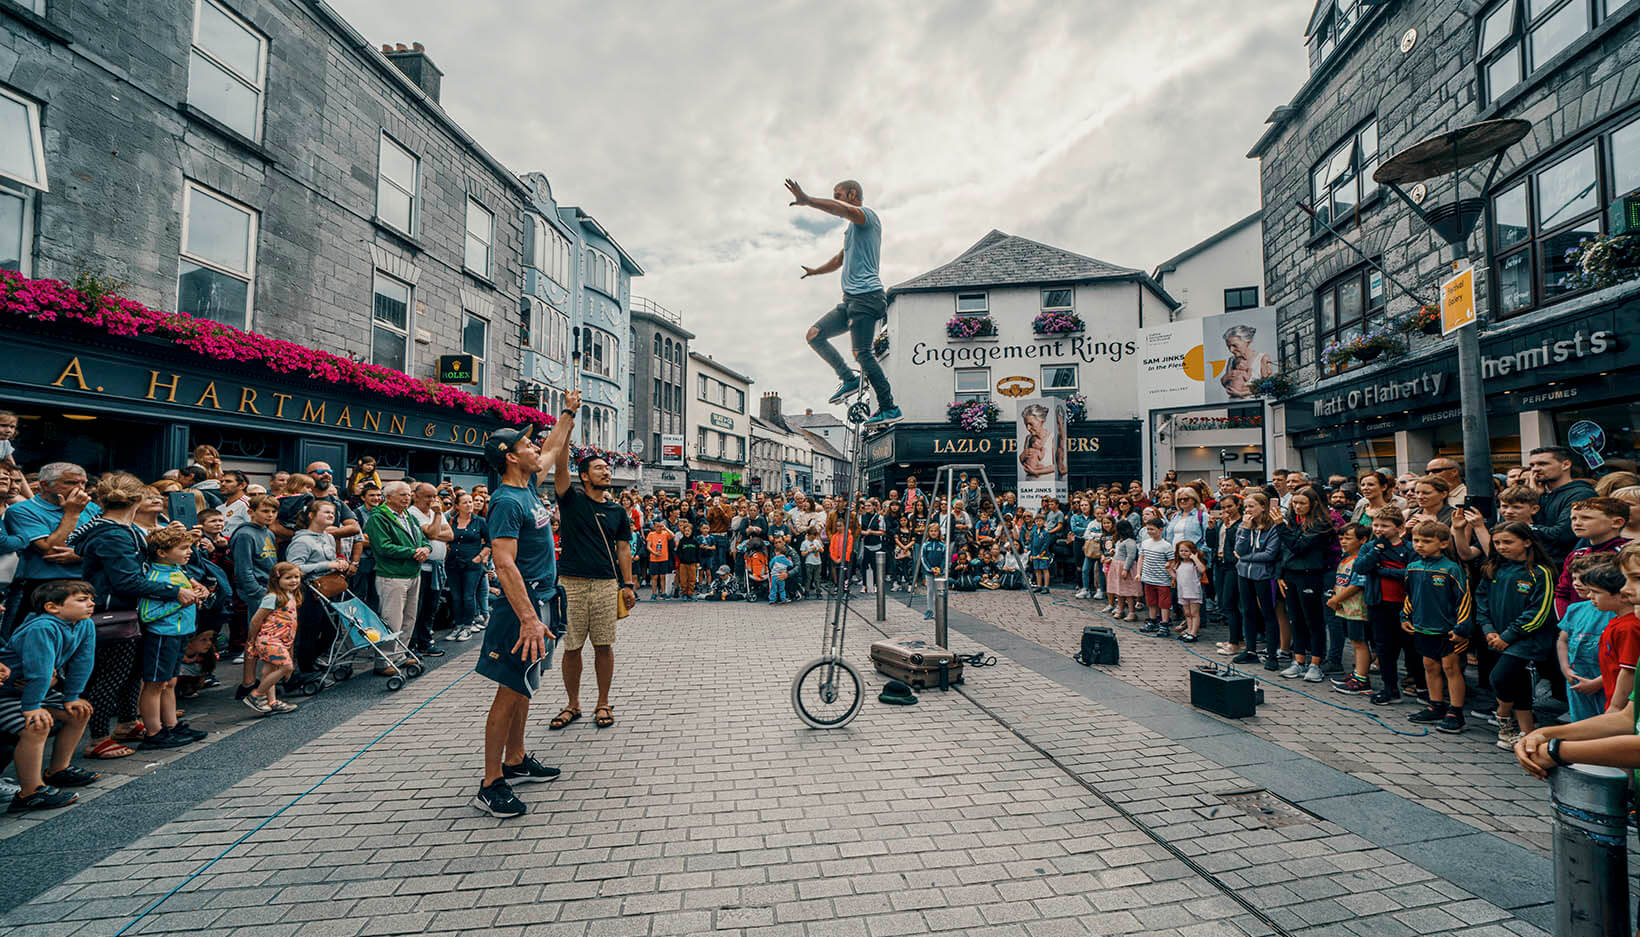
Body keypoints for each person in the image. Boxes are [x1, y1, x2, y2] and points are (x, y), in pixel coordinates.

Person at [471, 403, 579, 819]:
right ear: (511, 458)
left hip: (543, 601)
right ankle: (490, 783)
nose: (536, 448)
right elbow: (503, 563)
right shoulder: (505, 501)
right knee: (508, 690)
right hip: (522, 610)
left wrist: (568, 413)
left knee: (524, 687)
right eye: (526, 445)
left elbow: (552, 449)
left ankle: (515, 760)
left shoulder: (528, 486)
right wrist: (529, 618)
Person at [788, 177, 899, 426]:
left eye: (837, 194)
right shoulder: (852, 232)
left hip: (867, 297)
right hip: (850, 302)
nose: (835, 199)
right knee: (814, 335)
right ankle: (849, 379)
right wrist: (816, 271)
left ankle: (889, 407)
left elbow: (841, 210)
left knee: (862, 353)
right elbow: (840, 259)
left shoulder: (866, 217)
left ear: (852, 194)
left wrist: (808, 201)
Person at [550, 447, 636, 733]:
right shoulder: (571, 501)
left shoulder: (617, 511)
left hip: (605, 584)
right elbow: (561, 470)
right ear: (584, 476)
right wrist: (565, 433)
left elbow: (623, 549)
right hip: (571, 583)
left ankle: (603, 703)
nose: (606, 472)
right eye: (599, 468)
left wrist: (628, 585)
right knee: (572, 646)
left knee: (603, 645)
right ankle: (573, 704)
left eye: (607, 468)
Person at [0, 580, 99, 810]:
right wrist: (32, 706)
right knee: (35, 725)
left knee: (78, 711)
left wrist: (72, 696)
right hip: (7, 692)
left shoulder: (84, 624)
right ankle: (30, 792)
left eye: (91, 599)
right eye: (82, 600)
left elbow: (84, 661)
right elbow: (39, 669)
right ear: (52, 607)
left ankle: (58, 769)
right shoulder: (42, 627)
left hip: (33, 690)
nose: (91, 604)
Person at [1477, 522, 1555, 749]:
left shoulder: (1540, 573)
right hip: (1496, 636)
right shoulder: (1493, 568)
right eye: (1497, 542)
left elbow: (1540, 612)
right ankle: (1527, 733)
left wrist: (1508, 636)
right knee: (1518, 683)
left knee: (1499, 678)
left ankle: (1503, 716)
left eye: (1508, 542)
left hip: (1526, 640)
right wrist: (1488, 629)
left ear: (1527, 541)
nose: (1501, 547)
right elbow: (1481, 601)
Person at [2, 462, 100, 638]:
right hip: (45, 587)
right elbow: (52, 551)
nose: (80, 489)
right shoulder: (22, 510)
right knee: (37, 640)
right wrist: (72, 514)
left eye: (83, 483)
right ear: (45, 485)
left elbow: (108, 548)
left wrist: (80, 555)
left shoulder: (92, 508)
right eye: (71, 483)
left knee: (81, 641)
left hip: (87, 583)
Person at [134, 526, 206, 750]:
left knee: (170, 682)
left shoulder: (177, 570)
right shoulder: (156, 577)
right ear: (162, 552)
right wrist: (181, 603)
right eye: (183, 548)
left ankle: (171, 725)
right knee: (155, 683)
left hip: (178, 633)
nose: (189, 552)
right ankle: (154, 731)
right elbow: (147, 614)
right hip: (162, 635)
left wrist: (198, 595)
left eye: (189, 547)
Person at [1401, 521, 1472, 733]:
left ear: (1442, 543)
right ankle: (1435, 705)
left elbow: (1464, 599)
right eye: (1416, 540)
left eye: (1426, 541)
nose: (1419, 545)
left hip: (1448, 630)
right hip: (1422, 627)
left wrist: (1461, 627)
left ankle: (1456, 712)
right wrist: (1405, 616)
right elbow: (1410, 595)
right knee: (1430, 666)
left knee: (1451, 668)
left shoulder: (1451, 569)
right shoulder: (1413, 567)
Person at [1356, 506, 1418, 705]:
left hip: (1406, 606)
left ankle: (1420, 685)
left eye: (1384, 525)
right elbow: (1360, 567)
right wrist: (1377, 550)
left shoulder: (1410, 548)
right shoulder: (1370, 547)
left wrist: (1382, 571)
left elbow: (1412, 573)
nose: (1378, 529)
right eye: (1376, 525)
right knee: (1384, 648)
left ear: (1399, 528)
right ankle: (1390, 688)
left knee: (1411, 648)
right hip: (1379, 604)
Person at [365, 481, 430, 665]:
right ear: (389, 497)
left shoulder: (409, 516)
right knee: (391, 620)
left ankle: (400, 655)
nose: (407, 498)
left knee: (409, 618)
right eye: (402, 494)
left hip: (413, 573)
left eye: (409, 494)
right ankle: (385, 661)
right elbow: (383, 546)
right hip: (392, 575)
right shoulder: (378, 517)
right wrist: (413, 552)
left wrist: (426, 549)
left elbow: (423, 539)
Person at [284, 500, 350, 675]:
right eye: (326, 512)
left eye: (332, 513)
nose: (331, 515)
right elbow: (293, 568)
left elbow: (332, 560)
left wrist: (339, 563)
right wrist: (327, 565)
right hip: (309, 591)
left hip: (329, 589)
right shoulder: (302, 541)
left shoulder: (329, 537)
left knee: (332, 630)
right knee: (310, 631)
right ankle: (306, 669)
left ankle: (313, 659)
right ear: (311, 515)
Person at [1280, 486, 1337, 683]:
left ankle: (1315, 663)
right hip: (1291, 574)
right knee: (1295, 619)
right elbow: (1286, 549)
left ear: (1313, 504)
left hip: (1310, 575)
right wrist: (1281, 574)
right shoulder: (1295, 522)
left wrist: (1280, 527)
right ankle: (1298, 660)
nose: (1297, 506)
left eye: (1302, 503)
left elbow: (1298, 546)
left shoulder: (1320, 524)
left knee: (1313, 620)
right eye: (1295, 503)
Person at [1559, 556, 1624, 720]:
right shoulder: (1574, 609)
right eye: (1574, 578)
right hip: (1577, 681)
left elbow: (1624, 663)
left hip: (1607, 684)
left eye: (1583, 578)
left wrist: (1597, 683)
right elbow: (1563, 640)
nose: (1576, 583)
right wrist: (1566, 669)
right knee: (1580, 722)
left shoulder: (1616, 614)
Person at [228, 495, 279, 694]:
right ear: (251, 512)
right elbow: (243, 569)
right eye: (265, 511)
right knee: (255, 637)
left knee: (265, 637)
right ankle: (248, 682)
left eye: (273, 511)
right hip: (257, 592)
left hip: (271, 590)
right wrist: (257, 592)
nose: (270, 515)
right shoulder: (245, 534)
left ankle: (263, 682)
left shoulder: (268, 533)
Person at [1551, 497, 1630, 616]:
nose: (1577, 523)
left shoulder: (1627, 554)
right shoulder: (1576, 555)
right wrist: (1567, 620)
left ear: (1617, 522)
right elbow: (1562, 593)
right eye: (1573, 518)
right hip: (1577, 623)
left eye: (1586, 518)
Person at [245, 562, 301, 715]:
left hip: (281, 641)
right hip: (269, 640)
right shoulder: (272, 597)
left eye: (296, 577)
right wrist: (251, 640)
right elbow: (256, 620)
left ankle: (272, 702)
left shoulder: (291, 596)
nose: (294, 580)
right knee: (287, 667)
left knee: (269, 671)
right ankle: (256, 695)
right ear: (277, 580)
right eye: (288, 578)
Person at [1528, 446, 1597, 566]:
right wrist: (1534, 497)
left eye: (1542, 464)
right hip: (1539, 564)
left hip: (1568, 565)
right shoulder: (1540, 494)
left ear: (1565, 465)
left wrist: (1526, 526)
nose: (1535, 469)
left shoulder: (1581, 494)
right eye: (1532, 465)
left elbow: (1561, 534)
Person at [1327, 523, 1374, 695]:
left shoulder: (1361, 561)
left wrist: (1336, 599)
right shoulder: (1346, 558)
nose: (1343, 542)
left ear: (1363, 540)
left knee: (1359, 642)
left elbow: (1357, 585)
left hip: (1357, 609)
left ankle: (1362, 679)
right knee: (1354, 641)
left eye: (1348, 538)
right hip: (1345, 608)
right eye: (1341, 538)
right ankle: (1357, 673)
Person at [407, 483, 452, 658]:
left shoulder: (433, 513)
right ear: (416, 496)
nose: (432, 500)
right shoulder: (412, 513)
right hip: (421, 569)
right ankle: (412, 644)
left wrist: (433, 529)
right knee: (416, 609)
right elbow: (432, 533)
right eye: (428, 496)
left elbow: (450, 535)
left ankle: (425, 642)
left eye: (434, 496)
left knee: (431, 607)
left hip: (437, 569)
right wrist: (438, 517)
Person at [446, 492, 491, 641]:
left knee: (468, 595)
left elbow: (490, 542)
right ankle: (458, 626)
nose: (469, 505)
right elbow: (445, 537)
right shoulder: (451, 521)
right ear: (457, 506)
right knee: (456, 596)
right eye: (465, 502)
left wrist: (480, 557)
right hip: (453, 563)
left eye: (470, 502)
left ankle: (467, 626)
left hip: (472, 564)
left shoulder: (480, 521)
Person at [1137, 517, 1174, 635]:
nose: (1150, 532)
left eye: (1152, 529)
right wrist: (1138, 573)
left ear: (1161, 529)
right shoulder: (1145, 543)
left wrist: (1170, 570)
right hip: (1148, 578)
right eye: (1148, 529)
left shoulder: (1166, 545)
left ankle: (1164, 624)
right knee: (1151, 602)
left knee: (1164, 603)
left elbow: (1171, 561)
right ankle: (1152, 621)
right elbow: (1141, 558)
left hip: (1162, 580)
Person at [1218, 324, 1273, 399]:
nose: (1231, 350)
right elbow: (1227, 383)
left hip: (1255, 402)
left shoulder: (1263, 358)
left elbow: (1268, 386)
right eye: (1228, 346)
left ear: (1248, 342)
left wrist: (1242, 393)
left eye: (1234, 345)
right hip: (1234, 402)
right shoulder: (1232, 360)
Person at [1171, 541, 1206, 642]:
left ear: (1192, 551)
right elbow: (1176, 576)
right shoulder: (1178, 564)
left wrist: (1195, 558)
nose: (1183, 553)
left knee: (1194, 613)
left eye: (1186, 551)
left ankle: (1194, 633)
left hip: (1194, 592)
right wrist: (1169, 570)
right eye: (1181, 550)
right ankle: (1189, 630)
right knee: (1187, 613)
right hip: (1182, 592)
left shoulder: (1194, 564)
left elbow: (1202, 570)